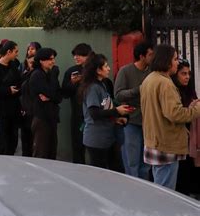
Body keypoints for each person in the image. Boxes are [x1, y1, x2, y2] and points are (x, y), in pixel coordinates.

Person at [141, 44, 200, 190]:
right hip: (166, 144)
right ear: (166, 60)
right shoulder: (165, 83)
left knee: (160, 188)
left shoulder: (149, 79)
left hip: (155, 141)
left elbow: (163, 111)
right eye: (175, 59)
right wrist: (197, 109)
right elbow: (175, 114)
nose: (177, 62)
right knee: (165, 193)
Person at [81, 53, 131, 171]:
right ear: (98, 70)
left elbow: (104, 109)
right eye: (106, 66)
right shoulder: (92, 88)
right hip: (96, 139)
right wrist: (116, 111)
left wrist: (116, 118)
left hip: (108, 137)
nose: (108, 68)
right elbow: (94, 113)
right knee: (101, 173)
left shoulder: (102, 85)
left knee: (116, 170)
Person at [114, 41, 153, 179]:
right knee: (132, 160)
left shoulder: (152, 72)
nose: (152, 57)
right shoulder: (125, 71)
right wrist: (138, 90)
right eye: (150, 54)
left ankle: (144, 187)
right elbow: (118, 95)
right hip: (131, 121)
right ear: (142, 56)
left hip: (149, 122)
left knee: (146, 162)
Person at [173, 59, 200, 196]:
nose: (187, 77)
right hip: (178, 138)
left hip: (191, 138)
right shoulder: (173, 91)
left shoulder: (189, 90)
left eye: (188, 73)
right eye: (183, 73)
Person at [61, 42, 92, 163]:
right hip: (77, 114)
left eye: (80, 55)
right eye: (75, 55)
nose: (76, 57)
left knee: (95, 146)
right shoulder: (71, 71)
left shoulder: (95, 70)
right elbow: (64, 92)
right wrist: (73, 83)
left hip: (93, 114)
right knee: (77, 145)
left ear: (88, 56)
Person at [29, 48, 62, 159]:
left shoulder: (49, 74)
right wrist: (54, 75)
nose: (53, 62)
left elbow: (58, 96)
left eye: (53, 59)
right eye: (50, 59)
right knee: (41, 152)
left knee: (52, 151)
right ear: (41, 61)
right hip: (42, 118)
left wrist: (51, 97)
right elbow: (52, 92)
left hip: (51, 117)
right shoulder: (37, 75)